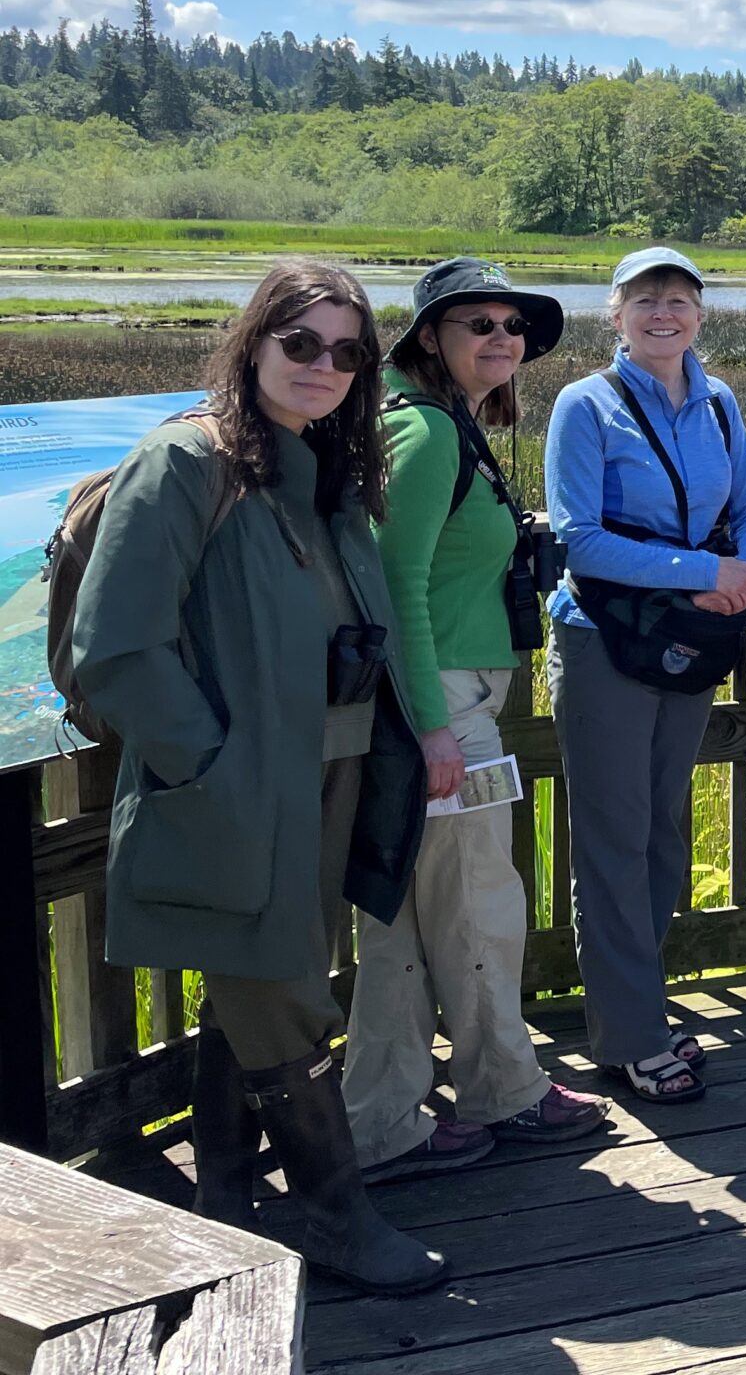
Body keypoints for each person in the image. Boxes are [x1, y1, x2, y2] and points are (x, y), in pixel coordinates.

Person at [71, 261, 445, 1293]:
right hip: (241, 793)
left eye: (346, 351)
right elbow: (116, 649)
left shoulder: (323, 471)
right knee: (285, 1000)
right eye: (301, 343)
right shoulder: (185, 464)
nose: (323, 366)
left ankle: (226, 1204)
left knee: (258, 988)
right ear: (253, 345)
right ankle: (334, 1215)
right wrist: (213, 766)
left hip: (325, 787)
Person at [344, 258, 607, 1179]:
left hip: (439, 698)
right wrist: (432, 727)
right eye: (478, 323)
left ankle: (383, 1121)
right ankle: (506, 1092)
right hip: (444, 700)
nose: (502, 338)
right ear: (429, 338)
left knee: (408, 919)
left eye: (512, 325)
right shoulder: (423, 436)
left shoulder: (440, 424)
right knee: (480, 909)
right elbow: (397, 588)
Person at [544, 246, 746, 1103]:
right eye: (646, 300)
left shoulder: (717, 403)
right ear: (616, 314)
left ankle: (634, 1011)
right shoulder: (585, 404)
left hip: (688, 640)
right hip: (604, 643)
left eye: (679, 299)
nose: (663, 313)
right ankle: (632, 1038)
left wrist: (742, 576)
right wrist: (703, 575)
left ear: (700, 314)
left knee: (663, 835)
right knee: (613, 841)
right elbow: (579, 539)